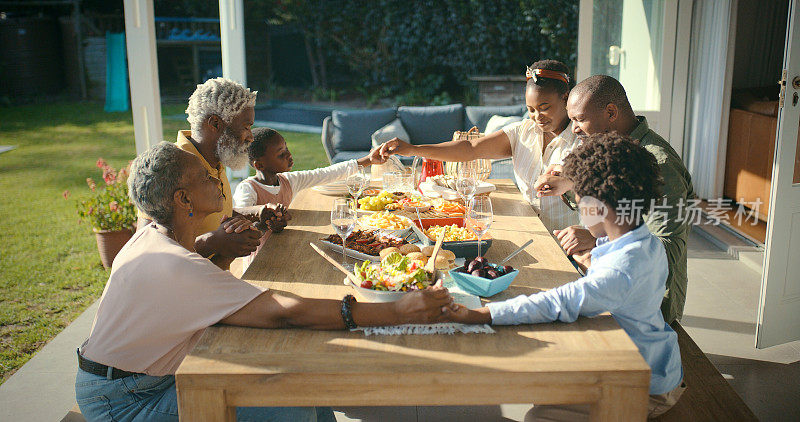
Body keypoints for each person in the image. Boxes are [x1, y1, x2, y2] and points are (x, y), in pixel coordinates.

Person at [76, 142, 454, 422]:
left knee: (303, 387)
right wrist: (399, 310)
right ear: (183, 198)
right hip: (125, 400)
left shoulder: (158, 239)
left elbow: (203, 298)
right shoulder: (174, 261)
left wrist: (225, 254)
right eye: (205, 176)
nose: (216, 178)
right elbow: (284, 314)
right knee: (290, 407)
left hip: (138, 379)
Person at [443, 133, 686, 419]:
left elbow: (561, 302)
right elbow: (617, 281)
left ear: (597, 206)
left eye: (580, 201)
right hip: (654, 360)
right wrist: (592, 259)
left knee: (538, 416)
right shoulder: (643, 241)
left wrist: (482, 314)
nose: (580, 211)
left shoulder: (623, 267)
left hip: (644, 385)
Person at [534, 75, 695, 323]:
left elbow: (667, 249)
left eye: (579, 119)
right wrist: (569, 185)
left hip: (647, 307)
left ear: (611, 112)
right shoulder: (608, 149)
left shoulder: (660, 164)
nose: (574, 129)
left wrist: (600, 242)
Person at [378, 60, 581, 232]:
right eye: (531, 109)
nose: (537, 117)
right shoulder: (522, 132)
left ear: (565, 98)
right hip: (531, 231)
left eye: (544, 108)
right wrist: (413, 149)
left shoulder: (583, 139)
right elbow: (471, 148)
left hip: (570, 243)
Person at [136, 77, 289, 270]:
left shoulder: (216, 157)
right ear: (215, 124)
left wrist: (258, 213)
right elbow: (146, 257)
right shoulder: (166, 170)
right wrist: (211, 243)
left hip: (217, 280)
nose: (251, 136)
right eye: (246, 126)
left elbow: (212, 213)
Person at [232, 127, 385, 269]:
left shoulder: (289, 180)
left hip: (284, 252)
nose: (289, 155)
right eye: (281, 154)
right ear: (259, 165)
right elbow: (240, 216)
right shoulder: (248, 188)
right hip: (259, 261)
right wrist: (265, 222)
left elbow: (326, 174)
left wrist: (368, 160)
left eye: (287, 148)